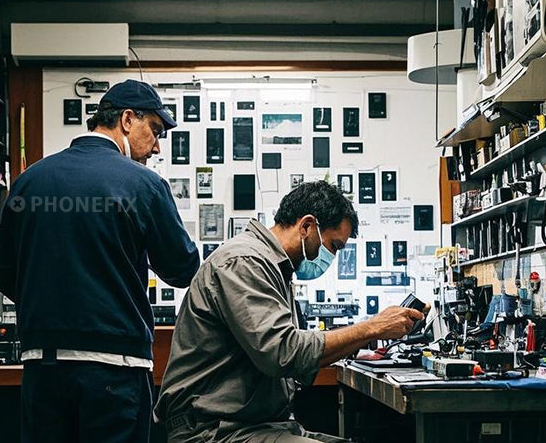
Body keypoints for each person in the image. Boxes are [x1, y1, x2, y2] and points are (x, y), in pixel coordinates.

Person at [0, 79, 201, 443]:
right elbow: (182, 268)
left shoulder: (30, 182)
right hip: (115, 370)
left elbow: (3, 274)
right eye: (154, 130)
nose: (156, 146)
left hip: (44, 366)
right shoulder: (143, 185)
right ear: (127, 119)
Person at [155, 181, 423, 443]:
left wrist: (367, 339)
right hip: (213, 431)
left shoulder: (275, 268)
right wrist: (371, 327)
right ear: (306, 226)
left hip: (253, 424)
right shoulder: (245, 262)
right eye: (334, 246)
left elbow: (298, 363)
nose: (333, 257)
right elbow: (283, 353)